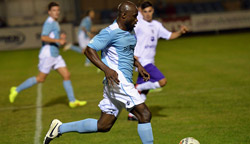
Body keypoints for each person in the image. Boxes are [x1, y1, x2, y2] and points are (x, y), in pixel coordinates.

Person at [43, 1, 154, 144]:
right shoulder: (110, 32)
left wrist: (139, 65)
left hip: (116, 82)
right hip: (119, 81)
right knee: (144, 114)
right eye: (134, 16)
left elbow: (126, 51)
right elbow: (89, 50)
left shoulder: (130, 30)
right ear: (124, 15)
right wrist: (106, 69)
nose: (137, 20)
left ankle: (59, 128)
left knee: (103, 125)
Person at [8, 2, 87, 108]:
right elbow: (43, 37)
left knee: (66, 75)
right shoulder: (49, 22)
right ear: (49, 12)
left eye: (58, 10)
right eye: (54, 10)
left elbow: (53, 38)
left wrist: (60, 38)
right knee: (40, 79)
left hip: (55, 55)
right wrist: (58, 39)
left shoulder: (55, 22)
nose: (57, 12)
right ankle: (16, 89)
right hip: (48, 54)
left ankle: (72, 101)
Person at [128, 1, 188, 120]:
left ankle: (132, 114)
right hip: (142, 61)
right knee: (162, 81)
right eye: (145, 11)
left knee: (144, 92)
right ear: (141, 12)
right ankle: (138, 87)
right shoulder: (138, 23)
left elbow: (169, 35)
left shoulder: (156, 25)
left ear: (153, 11)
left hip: (150, 60)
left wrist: (180, 32)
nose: (148, 14)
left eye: (150, 11)